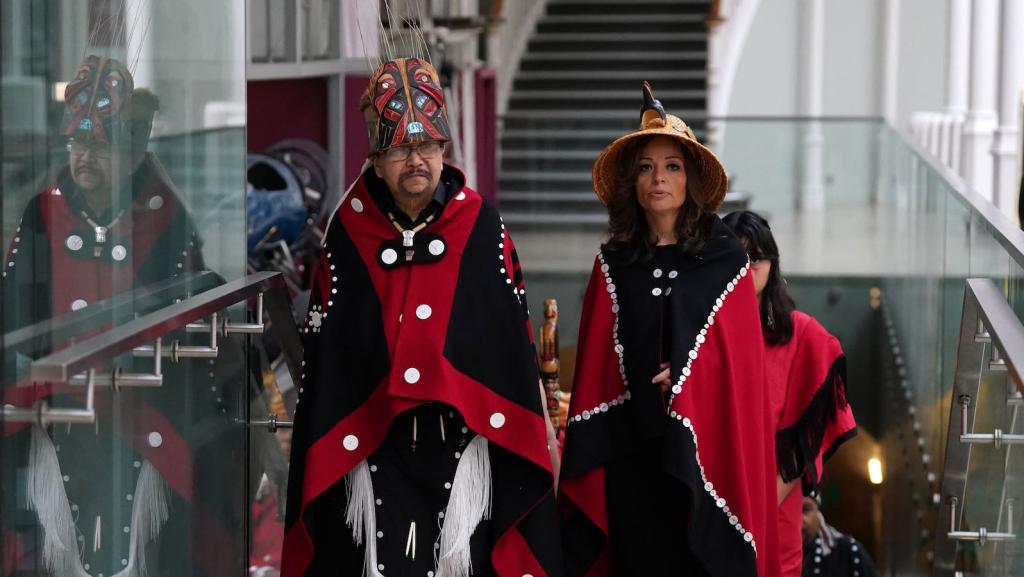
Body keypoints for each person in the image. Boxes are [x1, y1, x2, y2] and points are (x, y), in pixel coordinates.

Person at [282, 56, 562, 577]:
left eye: (428, 146)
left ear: (442, 150)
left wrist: (541, 424)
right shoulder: (348, 229)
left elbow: (510, 339)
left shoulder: (479, 224)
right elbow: (330, 347)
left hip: (462, 442)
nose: (417, 159)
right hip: (373, 445)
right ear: (378, 159)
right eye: (402, 149)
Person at [1, 55, 242, 577]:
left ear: (133, 154)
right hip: (57, 412)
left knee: (149, 552)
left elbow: (189, 316)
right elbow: (14, 315)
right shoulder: (41, 211)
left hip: (142, 413)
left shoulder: (167, 215)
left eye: (100, 147)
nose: (84, 158)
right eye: (78, 144)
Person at [558, 82, 779, 577]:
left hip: (704, 455)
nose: (659, 178)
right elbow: (597, 360)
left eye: (672, 166)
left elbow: (738, 361)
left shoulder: (724, 258)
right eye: (646, 167)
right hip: (631, 450)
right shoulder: (612, 261)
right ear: (632, 183)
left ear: (691, 181)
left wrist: (687, 378)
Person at [722, 210, 858, 577]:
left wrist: (760, 511)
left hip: (774, 513)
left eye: (757, 258)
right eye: (736, 258)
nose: (747, 268)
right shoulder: (700, 339)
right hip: (710, 506)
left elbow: (804, 440)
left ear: (772, 264)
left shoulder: (802, 335)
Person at [801, 497, 876, 577]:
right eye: (788, 510)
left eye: (805, 510)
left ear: (818, 512)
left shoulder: (847, 552)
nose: (798, 519)